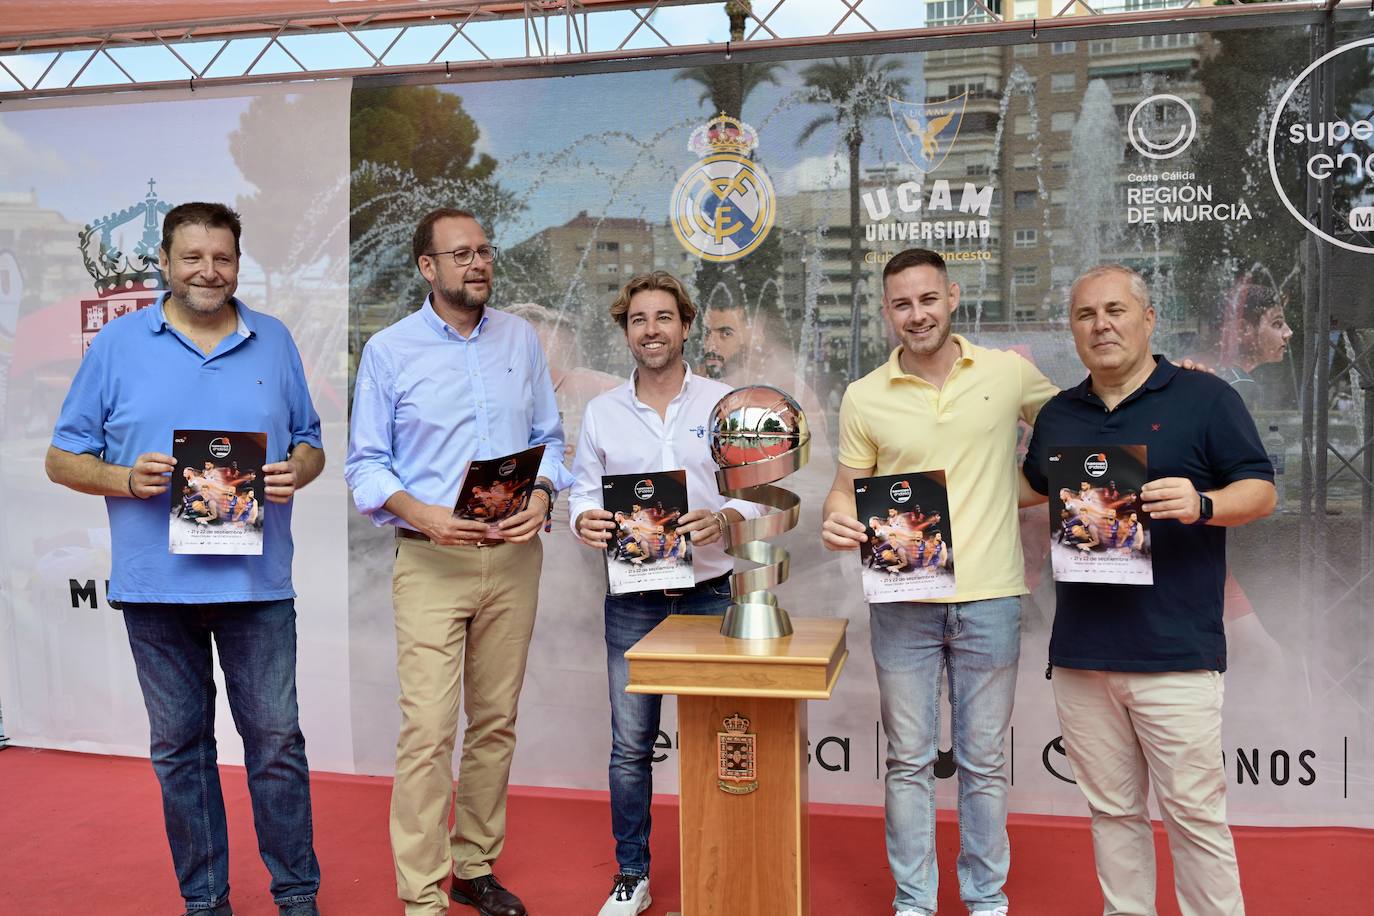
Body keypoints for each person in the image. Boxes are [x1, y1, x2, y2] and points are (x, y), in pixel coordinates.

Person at [45, 202, 326, 916]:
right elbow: (60, 457)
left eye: (223, 257)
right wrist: (120, 478)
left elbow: (310, 441)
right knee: (181, 751)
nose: (209, 271)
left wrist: (300, 467)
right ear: (165, 263)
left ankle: (298, 899)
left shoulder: (275, 340)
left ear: (238, 263)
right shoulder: (115, 344)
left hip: (257, 584)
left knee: (277, 746)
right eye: (193, 257)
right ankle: (206, 904)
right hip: (153, 587)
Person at [1022, 264, 1275, 916]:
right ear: (1073, 331)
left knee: (1194, 818)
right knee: (1112, 815)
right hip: (1081, 655)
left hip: (1176, 654)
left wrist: (1204, 502)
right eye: (1085, 315)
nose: (1101, 325)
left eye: (1115, 310)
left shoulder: (1205, 398)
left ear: (1148, 319)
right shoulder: (1058, 413)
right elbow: (1029, 491)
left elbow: (1262, 490)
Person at [344, 207, 571, 916]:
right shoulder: (389, 350)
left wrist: (541, 491)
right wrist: (426, 515)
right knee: (429, 730)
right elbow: (365, 467)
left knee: (495, 722)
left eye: (484, 251)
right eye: (460, 254)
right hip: (431, 563)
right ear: (426, 267)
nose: (478, 264)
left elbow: (551, 438)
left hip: (513, 559)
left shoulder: (520, 339)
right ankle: (421, 894)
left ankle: (474, 867)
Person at [820, 248, 1058, 916]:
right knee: (908, 762)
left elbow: (1078, 434)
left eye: (927, 299)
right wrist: (838, 521)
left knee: (984, 765)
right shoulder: (865, 396)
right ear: (887, 312)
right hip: (904, 602)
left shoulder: (1009, 373)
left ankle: (986, 901)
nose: (916, 314)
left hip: (990, 600)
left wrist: (1014, 493)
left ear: (953, 297)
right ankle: (914, 904)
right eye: (902, 304)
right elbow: (844, 492)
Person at [568, 271, 762, 916]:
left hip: (709, 587)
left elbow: (754, 485)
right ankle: (632, 875)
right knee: (631, 748)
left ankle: (725, 866)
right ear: (626, 331)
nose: (651, 331)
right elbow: (584, 494)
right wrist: (582, 520)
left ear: (685, 325)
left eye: (663, 318)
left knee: (719, 740)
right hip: (633, 596)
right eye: (638, 320)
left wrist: (725, 515)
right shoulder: (601, 412)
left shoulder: (724, 401)